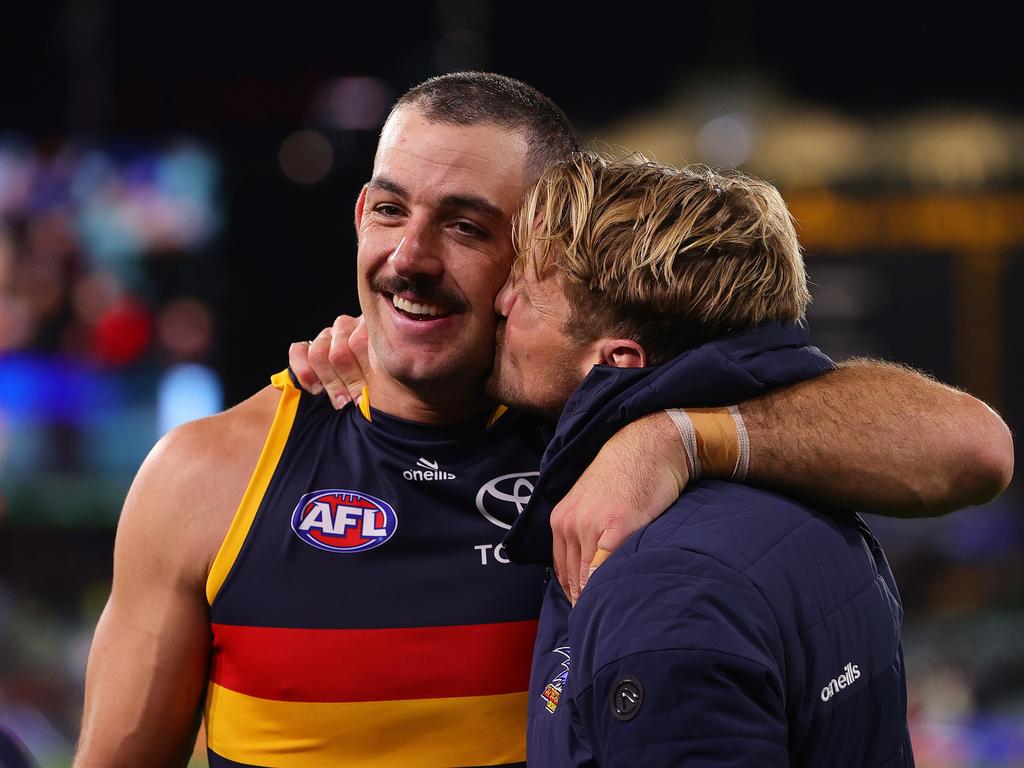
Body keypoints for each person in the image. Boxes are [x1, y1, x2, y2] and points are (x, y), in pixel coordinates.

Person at [74, 73, 1011, 767]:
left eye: (468, 227)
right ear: (359, 213)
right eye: (391, 210)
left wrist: (676, 439)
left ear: (539, 261)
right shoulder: (207, 478)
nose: (410, 258)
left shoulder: (601, 418)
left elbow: (968, 445)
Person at [491, 152, 913, 765]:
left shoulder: (663, 586)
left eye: (527, 298)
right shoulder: (807, 496)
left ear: (618, 360)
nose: (500, 303)